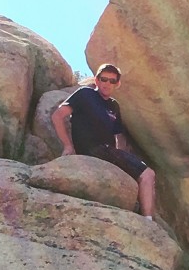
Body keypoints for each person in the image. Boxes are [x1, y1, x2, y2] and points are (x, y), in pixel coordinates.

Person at [51, 63, 157, 219]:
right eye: (104, 79)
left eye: (112, 81)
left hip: (108, 152)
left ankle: (145, 217)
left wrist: (122, 161)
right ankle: (149, 221)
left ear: (117, 84)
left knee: (146, 175)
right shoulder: (85, 94)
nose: (107, 84)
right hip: (93, 149)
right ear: (97, 80)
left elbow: (118, 135)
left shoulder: (113, 106)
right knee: (147, 174)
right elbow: (58, 116)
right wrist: (68, 146)